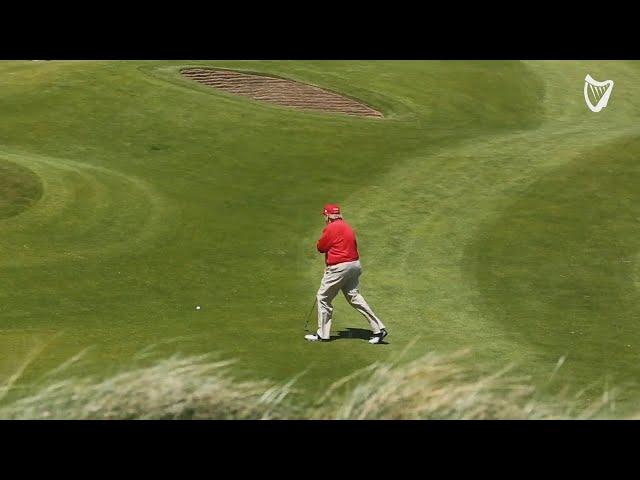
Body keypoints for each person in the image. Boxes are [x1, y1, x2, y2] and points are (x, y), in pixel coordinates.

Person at [305, 204, 388, 344]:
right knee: (354, 297)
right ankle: (379, 329)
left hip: (340, 267)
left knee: (323, 297)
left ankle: (322, 334)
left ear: (327, 216)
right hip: (354, 266)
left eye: (325, 216)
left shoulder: (331, 228)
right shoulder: (347, 226)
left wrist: (333, 265)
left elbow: (321, 247)